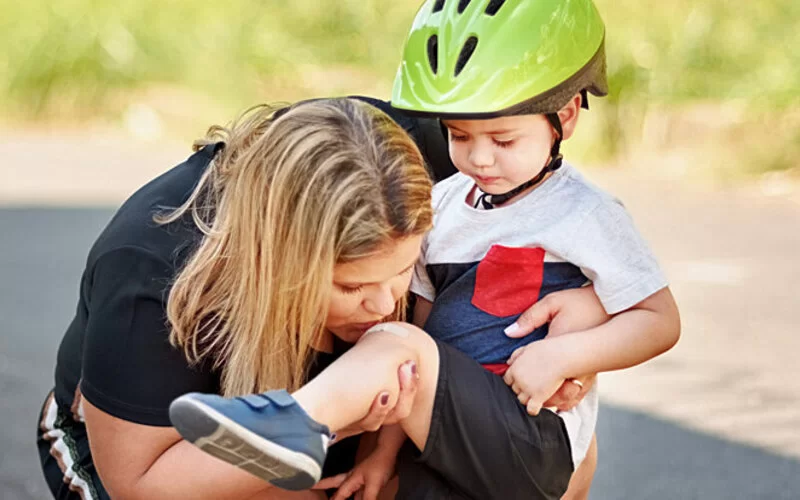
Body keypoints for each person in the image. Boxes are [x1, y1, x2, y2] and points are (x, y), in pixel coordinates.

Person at [169, 1, 681, 499]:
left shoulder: (585, 213)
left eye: (503, 140)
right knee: (398, 341)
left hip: (530, 437)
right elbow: (420, 346)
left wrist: (564, 354)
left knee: (394, 339)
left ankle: (298, 425)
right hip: (440, 439)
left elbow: (659, 320)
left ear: (564, 117)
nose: (479, 158)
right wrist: (380, 456)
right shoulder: (444, 204)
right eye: (459, 135)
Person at [36, 96, 591, 500]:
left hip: (359, 433)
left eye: (402, 270)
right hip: (165, 457)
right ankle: (300, 423)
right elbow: (140, 483)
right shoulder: (153, 264)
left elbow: (576, 246)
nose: (382, 305)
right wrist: (335, 419)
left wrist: (581, 337)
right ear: (273, 260)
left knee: (555, 467)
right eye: (351, 286)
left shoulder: (455, 158)